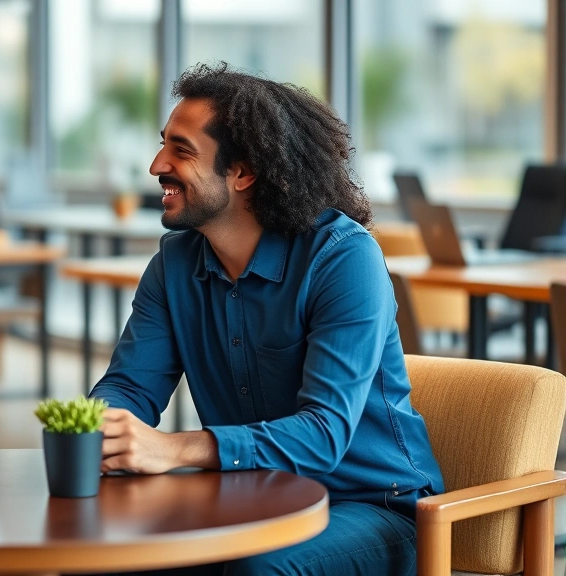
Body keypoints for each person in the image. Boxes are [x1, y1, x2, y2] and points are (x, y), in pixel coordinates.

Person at [89, 62, 444, 575]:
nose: (156, 164)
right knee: (105, 552)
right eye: (162, 142)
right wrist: (101, 428)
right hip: (251, 500)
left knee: (256, 569)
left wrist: (173, 449)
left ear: (243, 172)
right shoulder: (173, 266)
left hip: (374, 508)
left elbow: (323, 433)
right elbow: (129, 387)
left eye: (181, 150)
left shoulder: (344, 259)